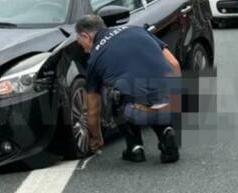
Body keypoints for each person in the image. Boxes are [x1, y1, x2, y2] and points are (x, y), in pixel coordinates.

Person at [75, 14, 182, 164]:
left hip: (137, 111)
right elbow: (174, 63)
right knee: (152, 94)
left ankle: (135, 147)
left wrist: (97, 137)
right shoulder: (137, 30)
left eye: (81, 44)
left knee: (115, 94)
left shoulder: (94, 58)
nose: (85, 51)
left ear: (85, 36)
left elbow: (92, 109)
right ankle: (166, 132)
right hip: (171, 103)